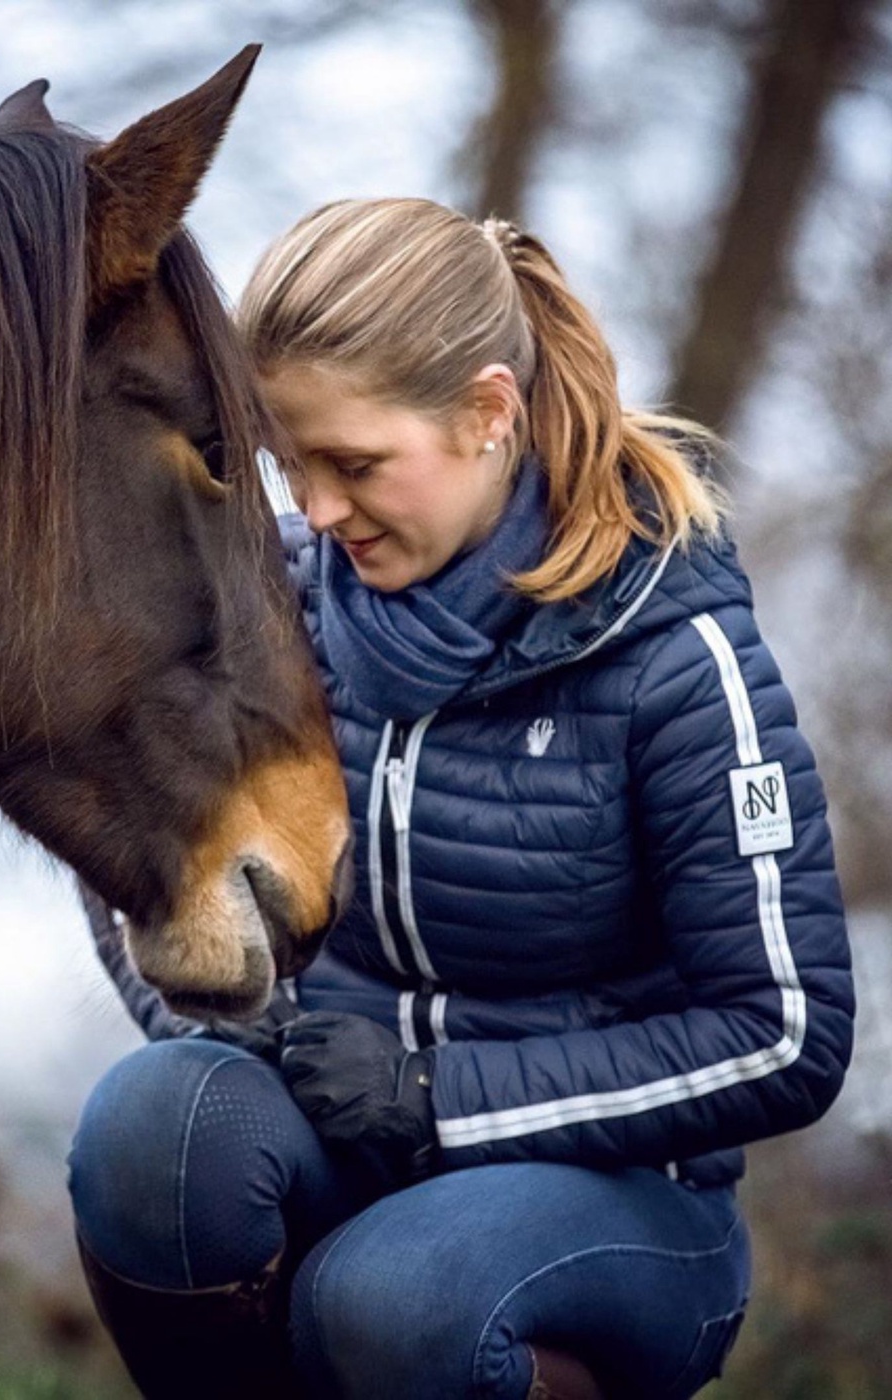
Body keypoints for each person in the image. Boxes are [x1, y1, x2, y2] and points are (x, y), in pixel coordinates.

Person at [68, 199, 855, 1400]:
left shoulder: (675, 658)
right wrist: (237, 1023)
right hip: (340, 1146)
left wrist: (436, 1099)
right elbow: (130, 831)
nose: (317, 511)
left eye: (354, 464)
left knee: (393, 1297)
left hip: (624, 1204)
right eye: (291, 464)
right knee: (153, 1130)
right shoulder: (271, 601)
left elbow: (782, 1032)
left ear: (486, 413)